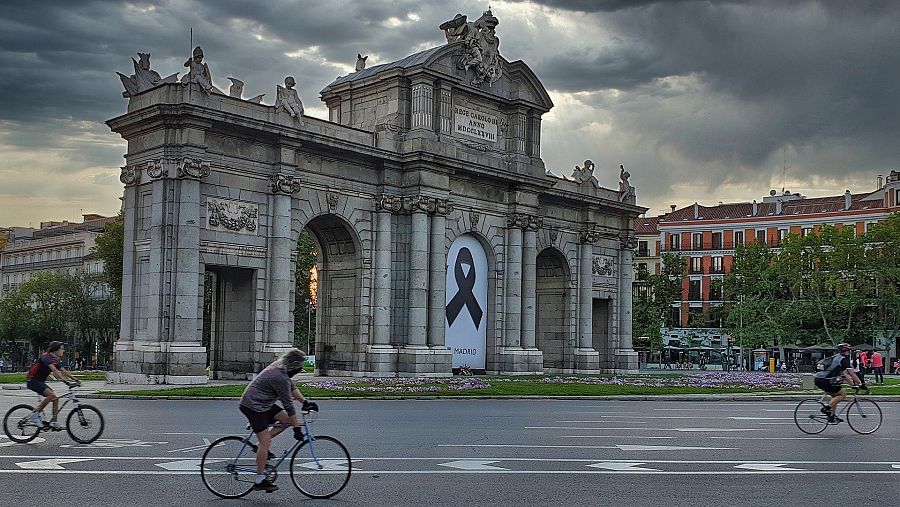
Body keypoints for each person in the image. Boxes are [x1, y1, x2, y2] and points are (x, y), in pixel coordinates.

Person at [239, 349, 315, 493]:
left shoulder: (281, 368)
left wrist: (305, 402)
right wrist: (297, 429)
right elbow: (289, 405)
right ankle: (260, 480)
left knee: (286, 420)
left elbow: (292, 387)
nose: (300, 370)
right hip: (253, 406)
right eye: (299, 367)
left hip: (263, 403)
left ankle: (258, 447)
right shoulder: (279, 377)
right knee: (266, 441)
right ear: (292, 365)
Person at [25, 341, 80, 429]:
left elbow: (63, 371)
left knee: (55, 399)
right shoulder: (46, 356)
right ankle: (35, 415)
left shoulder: (55, 359)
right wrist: (65, 381)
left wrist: (75, 379)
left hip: (40, 381)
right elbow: (54, 371)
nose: (63, 351)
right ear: (55, 350)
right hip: (32, 381)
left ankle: (54, 422)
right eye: (61, 349)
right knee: (51, 395)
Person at [813, 343, 864, 423]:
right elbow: (852, 373)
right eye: (849, 351)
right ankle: (826, 409)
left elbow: (845, 373)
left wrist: (853, 385)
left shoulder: (837, 357)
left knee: (835, 397)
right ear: (845, 351)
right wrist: (860, 384)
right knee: (843, 394)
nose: (850, 353)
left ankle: (832, 416)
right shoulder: (843, 359)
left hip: (820, 379)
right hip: (825, 380)